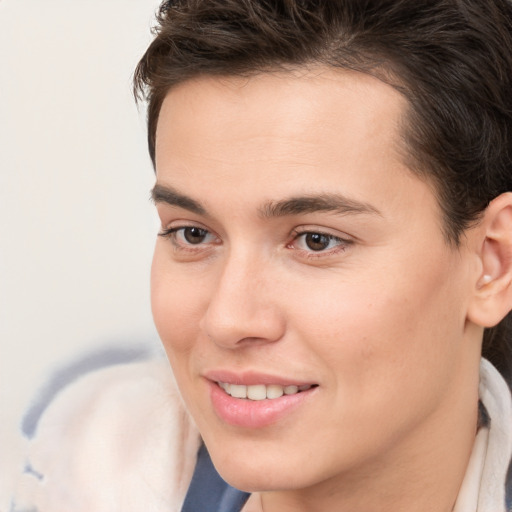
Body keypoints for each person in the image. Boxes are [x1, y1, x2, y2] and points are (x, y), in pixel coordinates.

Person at [12, 0, 512, 511]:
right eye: (192, 234)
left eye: (316, 240)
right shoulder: (76, 468)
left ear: (493, 264)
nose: (228, 320)